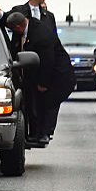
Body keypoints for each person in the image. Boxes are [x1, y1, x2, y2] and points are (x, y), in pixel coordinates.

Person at [5, 12, 74, 144]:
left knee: (48, 104)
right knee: (38, 103)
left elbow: (48, 61)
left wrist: (43, 83)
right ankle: (36, 133)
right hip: (44, 73)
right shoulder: (28, 28)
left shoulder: (40, 35)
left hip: (58, 76)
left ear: (19, 27)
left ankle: (44, 134)